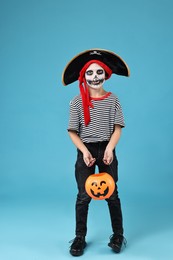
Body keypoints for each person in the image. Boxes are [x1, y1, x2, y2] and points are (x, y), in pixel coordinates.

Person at [62, 49, 130, 256]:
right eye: (89, 73)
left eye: (99, 72)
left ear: (106, 74)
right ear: (83, 76)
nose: (94, 77)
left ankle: (118, 234)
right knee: (83, 196)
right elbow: (73, 132)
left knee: (111, 194)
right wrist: (84, 151)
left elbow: (117, 128)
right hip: (86, 150)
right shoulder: (76, 102)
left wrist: (110, 148)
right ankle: (79, 237)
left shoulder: (113, 100)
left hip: (107, 147)